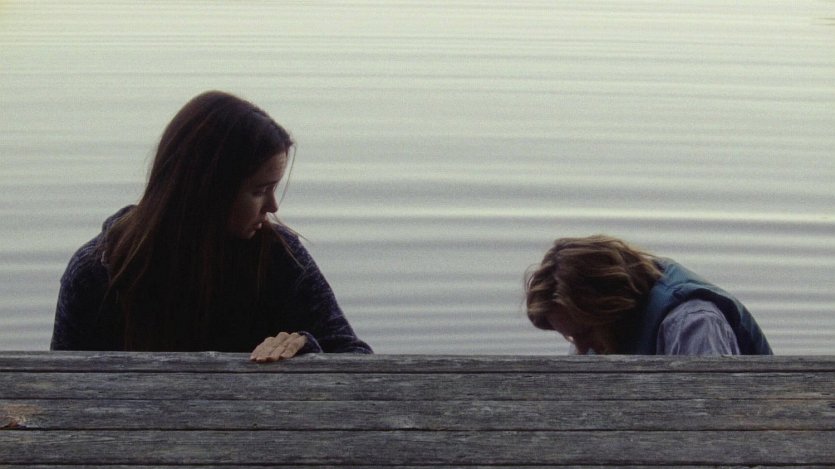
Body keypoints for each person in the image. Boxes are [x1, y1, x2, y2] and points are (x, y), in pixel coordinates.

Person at [51, 90, 372, 361]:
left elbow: (356, 360)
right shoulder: (97, 272)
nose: (273, 207)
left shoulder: (279, 256)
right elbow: (64, 385)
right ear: (208, 189)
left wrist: (305, 351)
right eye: (259, 191)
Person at [525, 234, 772, 355]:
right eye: (570, 337)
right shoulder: (594, 333)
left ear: (612, 306)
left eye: (585, 332)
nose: (581, 348)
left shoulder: (693, 324)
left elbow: (716, 417)